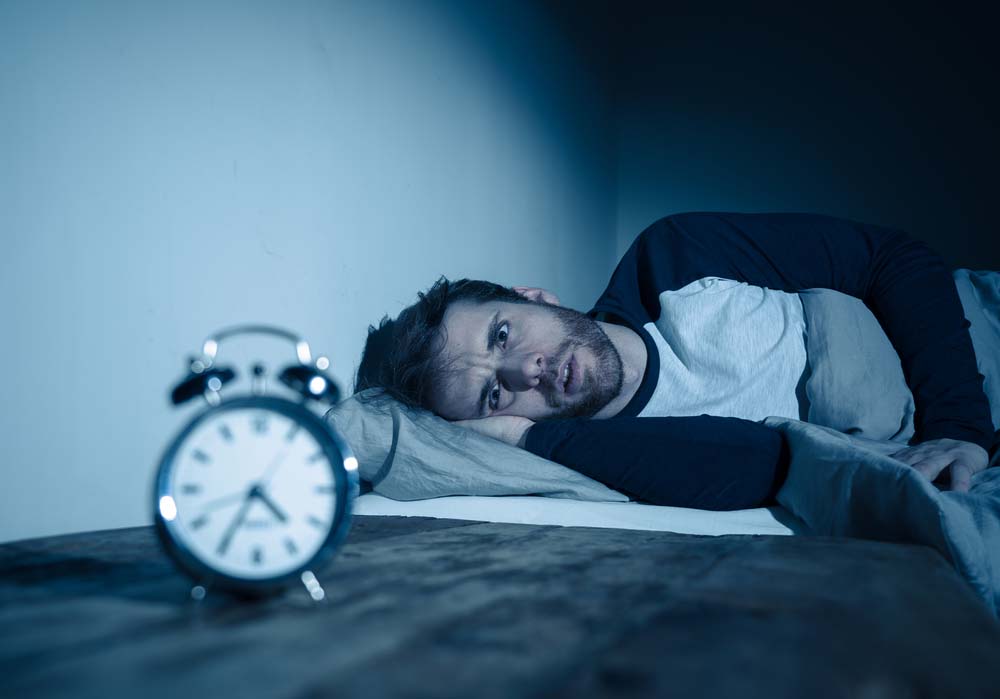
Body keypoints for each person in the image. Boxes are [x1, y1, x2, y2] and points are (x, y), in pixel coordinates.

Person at [356, 212, 994, 509]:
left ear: (534, 298)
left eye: (502, 335)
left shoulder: (674, 257)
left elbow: (896, 260)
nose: (525, 371)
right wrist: (525, 435)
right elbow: (763, 469)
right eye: (495, 395)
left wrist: (960, 427)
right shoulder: (625, 455)